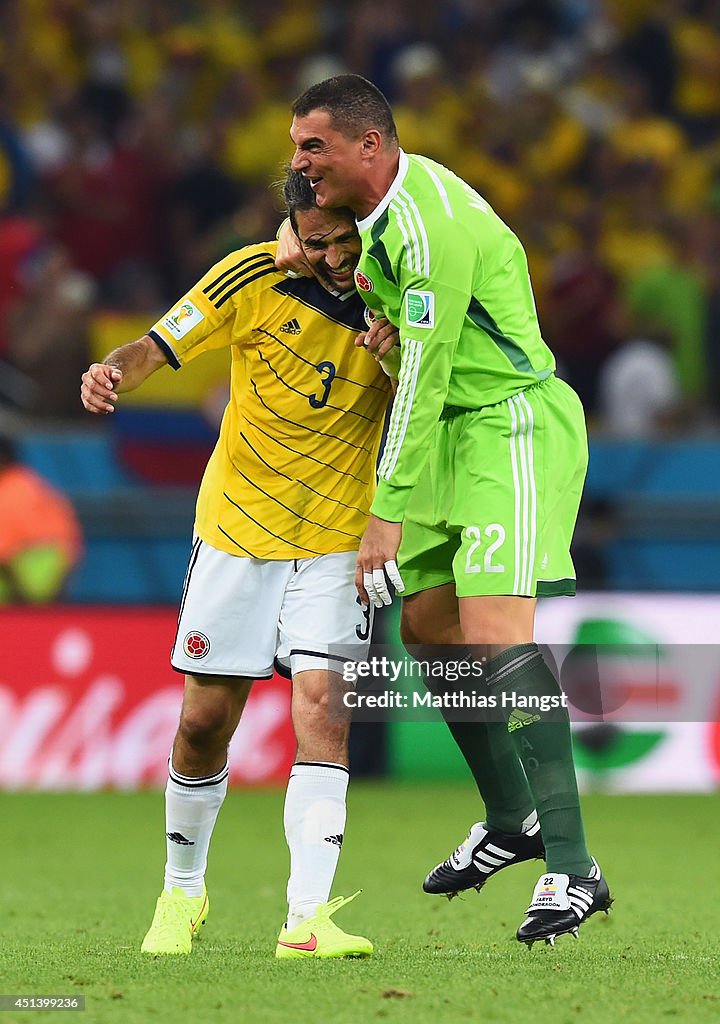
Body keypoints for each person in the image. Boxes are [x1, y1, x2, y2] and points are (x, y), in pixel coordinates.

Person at [284, 74, 611, 947]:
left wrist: (384, 513)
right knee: (428, 629)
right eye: (295, 147)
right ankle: (512, 822)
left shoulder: (426, 230)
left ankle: (573, 868)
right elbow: (389, 323)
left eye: (313, 146)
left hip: (507, 424)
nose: (299, 162)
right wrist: (315, 259)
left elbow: (427, 379)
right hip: (446, 438)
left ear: (368, 146)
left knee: (501, 635)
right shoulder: (374, 220)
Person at [81, 170, 397, 959]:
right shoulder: (251, 272)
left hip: (335, 537)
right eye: (313, 240)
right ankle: (181, 894)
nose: (328, 255)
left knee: (323, 710)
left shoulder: (400, 295)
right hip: (236, 530)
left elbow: (429, 403)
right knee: (202, 723)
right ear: (290, 228)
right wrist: (112, 370)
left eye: (341, 238)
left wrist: (397, 359)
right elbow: (156, 345)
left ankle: (307, 918)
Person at [0, 433, 82, 604]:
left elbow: (4, 554)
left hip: (29, 569)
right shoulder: (27, 482)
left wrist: (22, 599)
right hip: (51, 564)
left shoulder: (11, 492)